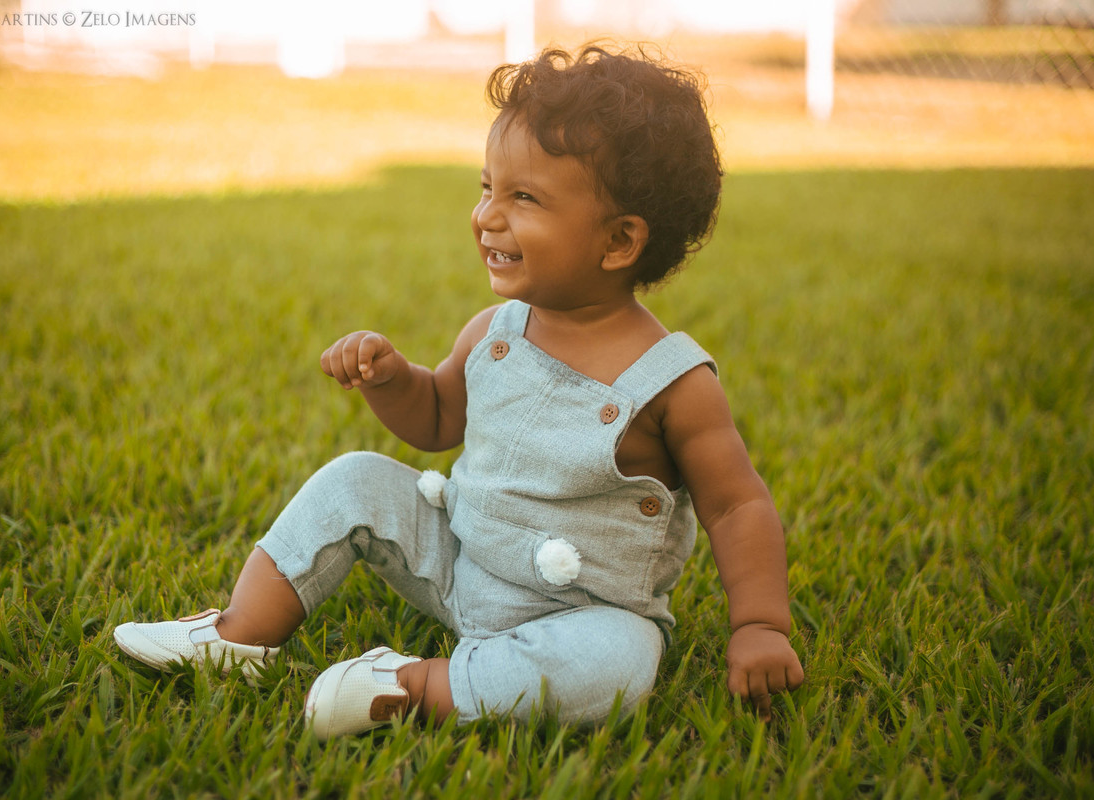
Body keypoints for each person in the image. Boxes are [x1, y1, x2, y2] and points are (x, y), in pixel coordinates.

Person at [114, 44, 804, 738]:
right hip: (460, 560)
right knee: (355, 478)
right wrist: (393, 381)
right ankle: (240, 635)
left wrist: (760, 624)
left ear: (619, 241)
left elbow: (737, 504)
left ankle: (414, 685)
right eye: (486, 188)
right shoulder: (497, 332)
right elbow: (439, 417)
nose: (486, 217)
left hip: (581, 613)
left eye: (523, 198)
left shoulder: (672, 382)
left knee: (622, 663)